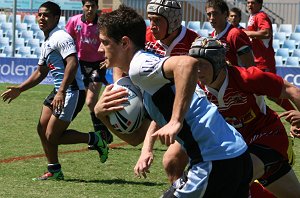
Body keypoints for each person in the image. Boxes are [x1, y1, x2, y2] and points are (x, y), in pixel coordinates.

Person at [95, 5, 252, 197]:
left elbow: (188, 63)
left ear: (125, 43)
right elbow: (136, 138)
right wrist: (101, 116)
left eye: (105, 42)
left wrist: (175, 121)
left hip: (215, 159)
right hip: (234, 154)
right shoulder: (139, 76)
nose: (99, 48)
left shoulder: (139, 65)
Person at [0, 1, 108, 181]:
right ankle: (54, 170)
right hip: (59, 90)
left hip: (72, 91)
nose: (42, 18)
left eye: (46, 15)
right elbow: (41, 72)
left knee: (52, 136)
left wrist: (62, 91)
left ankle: (95, 139)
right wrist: (20, 89)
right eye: (40, 14)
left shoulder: (61, 37)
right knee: (42, 129)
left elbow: (73, 63)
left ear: (56, 18)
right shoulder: (47, 40)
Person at [190, 37, 300, 197]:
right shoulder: (194, 87)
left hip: (267, 138)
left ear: (217, 64)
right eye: (194, 64)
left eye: (203, 65)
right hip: (234, 146)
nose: (197, 70)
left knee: (233, 178)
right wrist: (147, 148)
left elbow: (292, 90)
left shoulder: (247, 78)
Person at [112, 0, 199, 82]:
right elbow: (122, 59)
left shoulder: (194, 41)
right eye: (150, 19)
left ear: (174, 21)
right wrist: (118, 87)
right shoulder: (143, 36)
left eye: (157, 20)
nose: (152, 26)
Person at [65, 0, 113, 143]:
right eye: (87, 6)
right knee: (78, 98)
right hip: (79, 65)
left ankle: (101, 134)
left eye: (93, 6)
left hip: (98, 65)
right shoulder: (74, 21)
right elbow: (67, 40)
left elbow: (110, 42)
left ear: (97, 7)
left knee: (91, 101)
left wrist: (108, 58)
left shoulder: (103, 24)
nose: (90, 9)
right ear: (83, 7)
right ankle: (105, 134)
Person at [243, 0, 295, 111]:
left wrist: (245, 33)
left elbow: (266, 33)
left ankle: (294, 112)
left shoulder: (261, 16)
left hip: (263, 61)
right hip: (256, 60)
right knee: (257, 91)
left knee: (272, 92)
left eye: (253, 2)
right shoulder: (253, 16)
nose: (249, 5)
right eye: (248, 2)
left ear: (260, 4)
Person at [205, 0, 255, 67]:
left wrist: (230, 68)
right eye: (209, 14)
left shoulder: (235, 34)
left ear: (225, 14)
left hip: (237, 77)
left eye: (215, 13)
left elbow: (250, 66)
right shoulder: (212, 35)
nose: (211, 18)